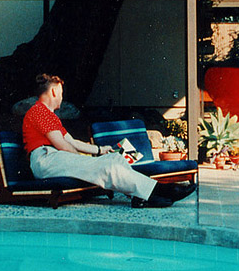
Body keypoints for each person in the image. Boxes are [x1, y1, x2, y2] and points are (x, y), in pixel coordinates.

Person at [22, 73, 189, 208]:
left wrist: (101, 151)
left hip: (55, 159)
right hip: (46, 160)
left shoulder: (50, 116)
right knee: (107, 166)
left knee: (114, 158)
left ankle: (142, 195)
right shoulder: (39, 111)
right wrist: (82, 158)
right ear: (54, 92)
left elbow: (72, 141)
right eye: (61, 93)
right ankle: (159, 190)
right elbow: (63, 146)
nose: (62, 97)